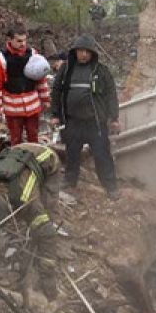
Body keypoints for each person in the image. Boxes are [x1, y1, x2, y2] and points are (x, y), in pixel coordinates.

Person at [0, 143, 62, 292]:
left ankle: (38, 244)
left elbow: (48, 234)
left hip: (45, 157)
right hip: (17, 152)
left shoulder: (27, 201)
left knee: (44, 216)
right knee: (35, 220)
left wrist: (48, 276)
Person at [49, 34, 120, 199]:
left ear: (92, 53)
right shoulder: (66, 69)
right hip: (73, 122)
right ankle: (69, 181)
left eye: (87, 51)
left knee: (102, 155)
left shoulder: (101, 71)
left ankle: (111, 187)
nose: (84, 55)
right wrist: (55, 115)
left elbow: (111, 95)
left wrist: (114, 118)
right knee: (72, 153)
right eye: (80, 51)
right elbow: (56, 92)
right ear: (75, 52)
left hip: (95, 123)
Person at [0, 27, 51, 147]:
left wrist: (45, 99)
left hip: (32, 106)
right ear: (10, 40)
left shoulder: (32, 54)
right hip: (13, 108)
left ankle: (34, 162)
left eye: (24, 40)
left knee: (33, 137)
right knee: (16, 139)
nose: (22, 44)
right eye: (19, 41)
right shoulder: (0, 59)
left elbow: (41, 79)